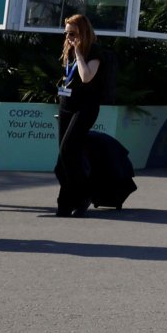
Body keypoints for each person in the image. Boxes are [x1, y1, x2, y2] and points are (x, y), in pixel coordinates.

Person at [54, 14, 104, 217]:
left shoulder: (93, 50)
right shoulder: (68, 49)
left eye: (72, 33)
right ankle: (66, 201)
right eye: (66, 33)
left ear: (83, 32)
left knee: (68, 150)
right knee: (63, 159)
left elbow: (85, 77)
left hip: (85, 108)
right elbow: (69, 77)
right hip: (67, 106)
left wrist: (79, 54)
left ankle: (84, 194)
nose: (68, 38)